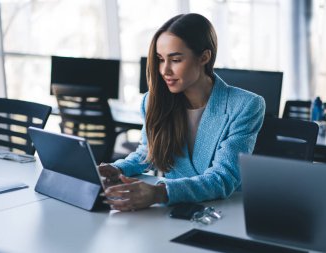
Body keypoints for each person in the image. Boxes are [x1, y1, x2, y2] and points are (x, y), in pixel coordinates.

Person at [99, 13, 265, 211]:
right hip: (175, 211)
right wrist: (117, 168)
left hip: (225, 210)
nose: (164, 70)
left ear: (204, 57)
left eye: (175, 59)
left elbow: (223, 178)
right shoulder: (153, 100)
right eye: (160, 59)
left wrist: (160, 193)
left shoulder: (246, 105)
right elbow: (148, 152)